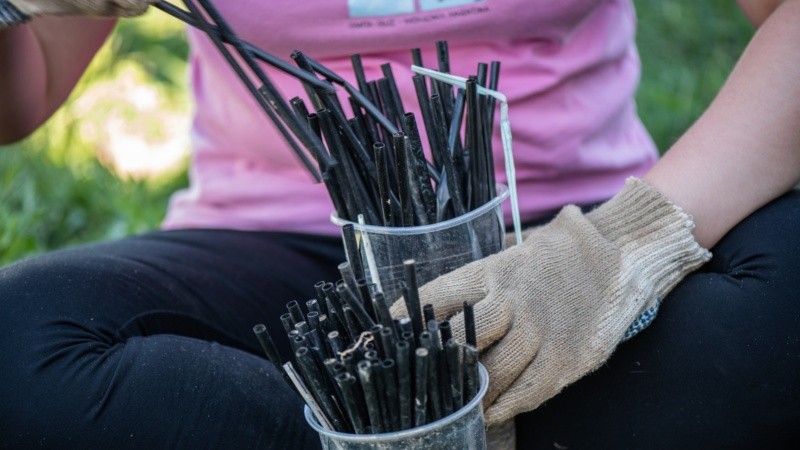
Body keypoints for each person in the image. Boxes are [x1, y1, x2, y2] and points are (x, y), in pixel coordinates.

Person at [1, 0, 797, 448]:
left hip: (572, 235)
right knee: (20, 342)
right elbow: (21, 96)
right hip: (281, 248)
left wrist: (623, 245)